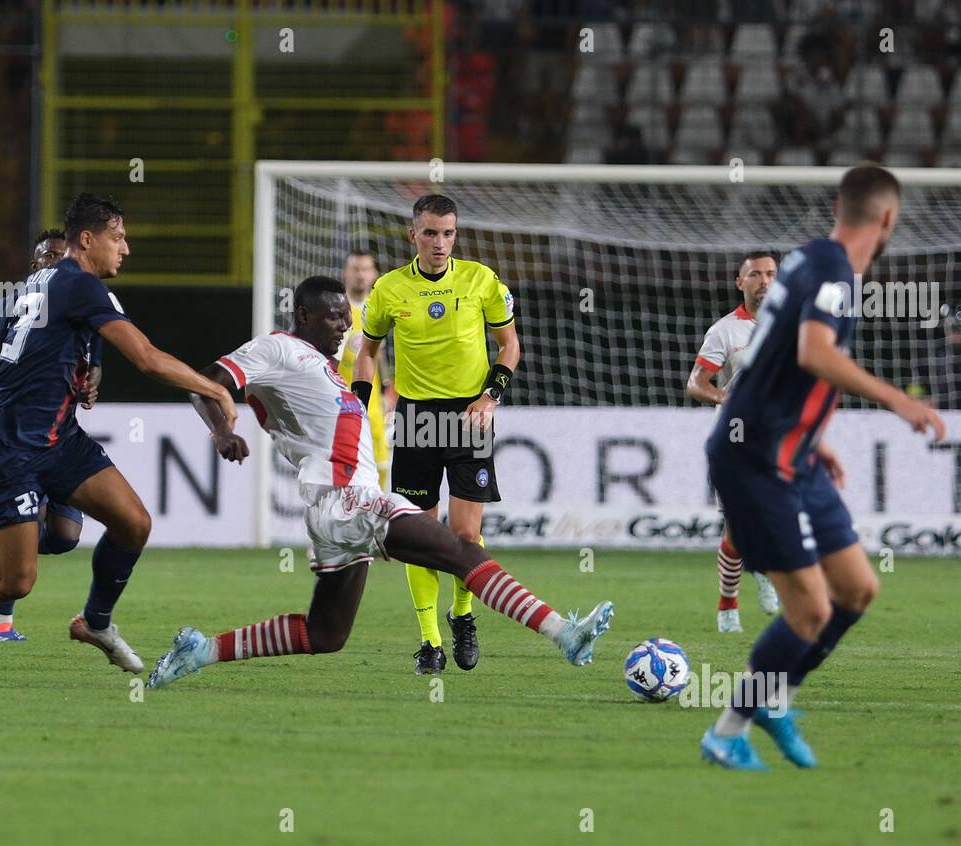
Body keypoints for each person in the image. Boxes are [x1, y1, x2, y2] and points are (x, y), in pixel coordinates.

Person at [147, 277, 612, 689]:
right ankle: (563, 633)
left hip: (336, 511)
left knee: (325, 634)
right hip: (350, 500)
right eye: (332, 317)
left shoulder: (324, 366)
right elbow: (204, 381)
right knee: (462, 550)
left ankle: (201, 651)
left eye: (346, 318)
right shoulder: (278, 348)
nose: (342, 327)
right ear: (303, 315)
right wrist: (222, 430)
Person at [0, 194, 242, 673]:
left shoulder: (34, 284)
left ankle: (96, 623)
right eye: (118, 238)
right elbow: (147, 358)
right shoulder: (81, 286)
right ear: (88, 240)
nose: (126, 249)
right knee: (12, 584)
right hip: (8, 447)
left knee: (133, 523)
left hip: (58, 440)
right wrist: (216, 391)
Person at [701, 164, 945, 771]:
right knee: (809, 610)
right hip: (757, 458)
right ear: (887, 218)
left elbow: (769, 354)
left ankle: (775, 698)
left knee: (857, 588)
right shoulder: (834, 271)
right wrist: (898, 400)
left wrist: (814, 433)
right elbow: (814, 352)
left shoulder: (806, 258)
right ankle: (729, 730)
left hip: (793, 449)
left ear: (839, 207)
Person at [352, 194, 520, 675]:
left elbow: (509, 346)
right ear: (413, 235)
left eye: (448, 233)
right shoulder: (388, 289)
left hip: (470, 417)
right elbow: (368, 351)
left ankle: (462, 614)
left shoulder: (481, 281)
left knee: (467, 534)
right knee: (421, 536)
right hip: (416, 418)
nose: (440, 242)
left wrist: (491, 396)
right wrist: (358, 404)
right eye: (430, 232)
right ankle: (429, 641)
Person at [0, 228, 90, 642]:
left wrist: (91, 383)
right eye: (47, 257)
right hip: (14, 433)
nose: (55, 263)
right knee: (25, 519)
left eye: (60, 257)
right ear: (35, 265)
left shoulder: (79, 309)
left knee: (66, 537)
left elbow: (93, 362)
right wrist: (15, 367)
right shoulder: (17, 302)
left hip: (59, 433)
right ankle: (1, 621)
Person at [686, 251, 783, 634]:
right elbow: (696, 383)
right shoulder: (724, 331)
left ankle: (761, 568)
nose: (764, 281)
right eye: (755, 274)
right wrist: (727, 398)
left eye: (771, 273)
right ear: (740, 283)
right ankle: (728, 606)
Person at [335, 250, 391, 489]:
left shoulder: (379, 310)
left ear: (375, 274)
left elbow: (383, 358)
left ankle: (378, 515)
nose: (360, 275)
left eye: (366, 269)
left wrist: (389, 391)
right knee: (341, 463)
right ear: (345, 273)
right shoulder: (335, 310)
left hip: (372, 403)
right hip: (337, 400)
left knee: (381, 462)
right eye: (356, 269)